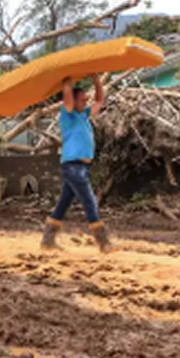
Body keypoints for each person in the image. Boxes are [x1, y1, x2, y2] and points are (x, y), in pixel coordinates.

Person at [42, 74, 113, 253]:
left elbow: (100, 101)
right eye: (82, 100)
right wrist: (67, 83)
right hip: (73, 166)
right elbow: (67, 99)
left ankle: (47, 241)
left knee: (64, 203)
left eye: (85, 100)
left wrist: (96, 80)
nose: (85, 102)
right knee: (89, 200)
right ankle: (103, 242)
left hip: (82, 167)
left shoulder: (84, 115)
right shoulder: (68, 115)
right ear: (72, 101)